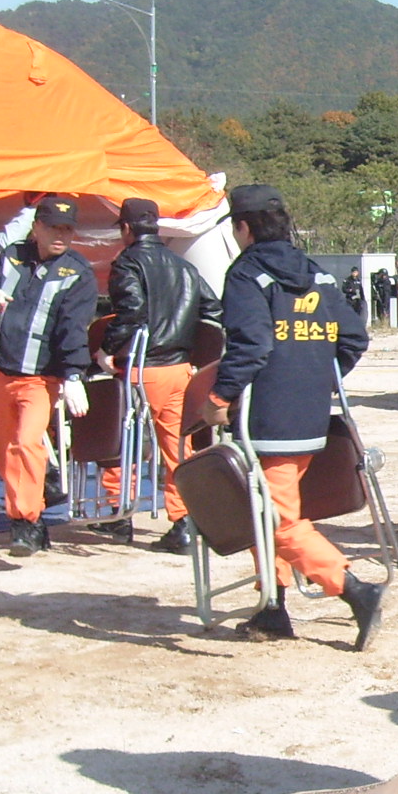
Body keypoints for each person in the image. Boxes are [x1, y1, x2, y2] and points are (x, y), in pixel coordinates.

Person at [202, 186, 382, 648]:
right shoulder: (315, 272)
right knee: (269, 511)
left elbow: (251, 344)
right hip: (310, 415)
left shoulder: (246, 273)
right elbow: (353, 338)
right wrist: (316, 374)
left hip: (266, 416)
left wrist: (221, 395)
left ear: (243, 227)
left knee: (275, 519)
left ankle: (353, 589)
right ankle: (272, 607)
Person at [96, 197, 222, 552]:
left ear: (126, 228)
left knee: (124, 440)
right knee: (177, 447)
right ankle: (182, 520)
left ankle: (118, 513)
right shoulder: (183, 266)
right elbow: (212, 308)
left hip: (143, 366)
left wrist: (106, 348)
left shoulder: (128, 263)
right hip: (180, 367)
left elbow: (131, 313)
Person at [0, 195, 97, 555]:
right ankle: (34, 515)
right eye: (54, 228)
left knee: (27, 444)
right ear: (37, 228)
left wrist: (73, 376)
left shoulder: (77, 273)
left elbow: (73, 329)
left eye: (68, 229)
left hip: (41, 378)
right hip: (1, 372)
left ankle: (24, 522)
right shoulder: (12, 255)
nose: (61, 235)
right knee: (3, 451)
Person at [0, 205, 66, 515]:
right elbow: (8, 242)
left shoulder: (30, 259)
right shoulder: (1, 249)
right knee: (11, 417)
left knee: (19, 416)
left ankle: (32, 479)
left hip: (13, 344)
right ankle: (27, 480)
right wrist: (33, 209)